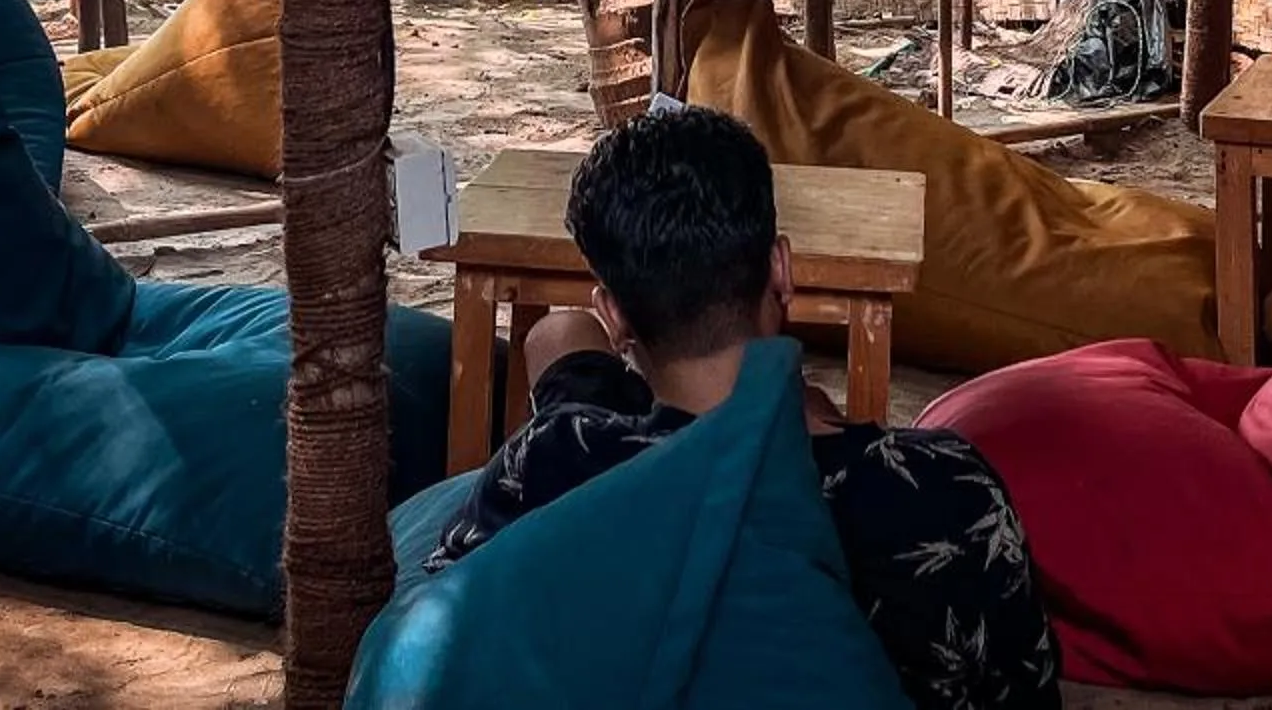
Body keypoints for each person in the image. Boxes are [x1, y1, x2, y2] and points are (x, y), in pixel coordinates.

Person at [427, 107, 1060, 710]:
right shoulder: (945, 491)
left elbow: (439, 637)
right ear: (781, 269)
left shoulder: (554, 467)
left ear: (615, 315)